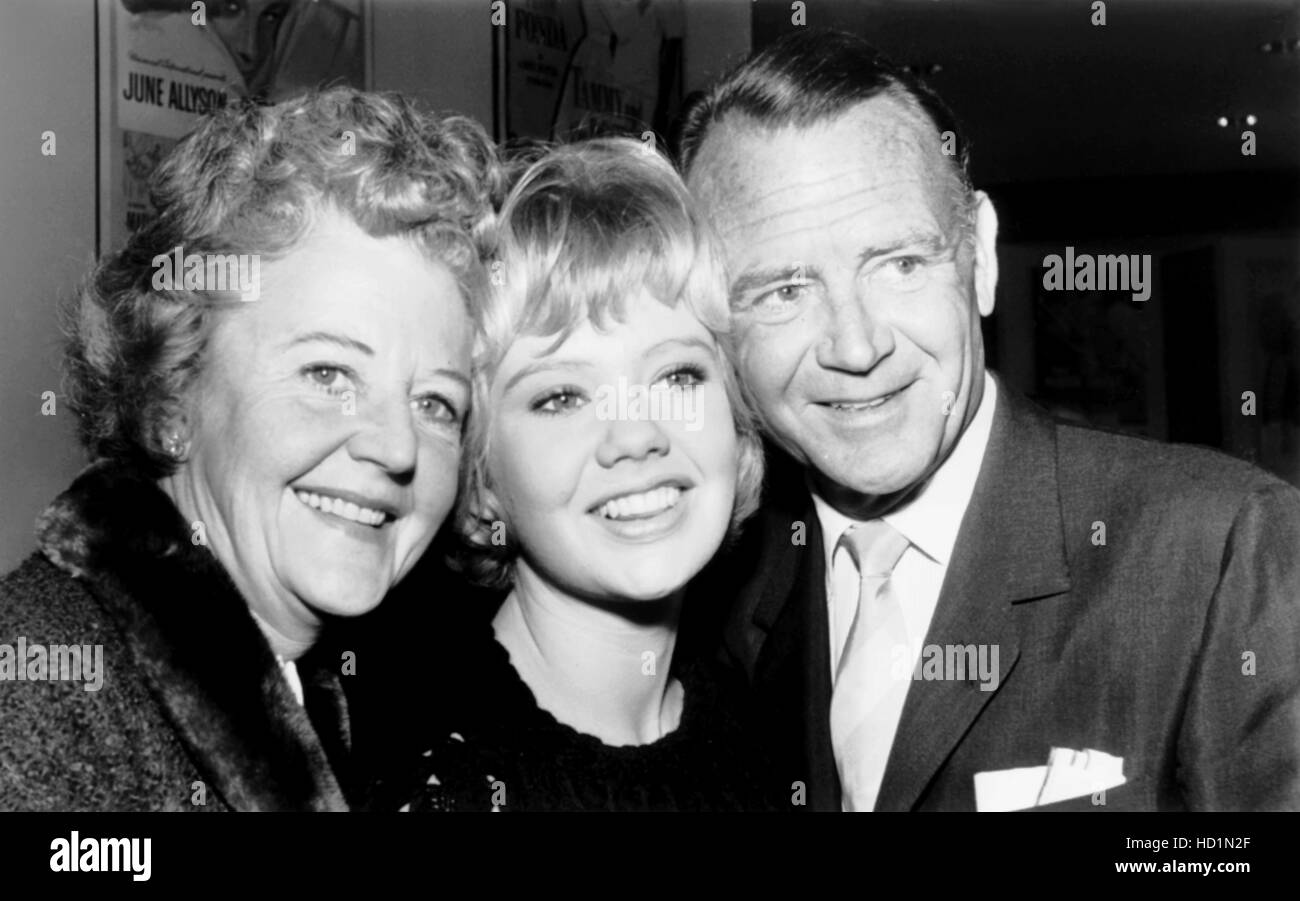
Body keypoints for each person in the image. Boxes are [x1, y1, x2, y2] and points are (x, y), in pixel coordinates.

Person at [676, 29, 1300, 811]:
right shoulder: (712, 594)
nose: (857, 345)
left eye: (900, 263)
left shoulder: (1220, 550)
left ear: (984, 256)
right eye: (782, 292)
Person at [0, 87, 498, 811]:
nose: (397, 447)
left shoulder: (312, 695)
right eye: (329, 374)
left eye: (435, 404)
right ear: (173, 391)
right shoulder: (39, 702)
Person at [389, 138, 772, 812]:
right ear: (480, 481)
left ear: (737, 421)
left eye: (677, 375)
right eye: (562, 396)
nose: (635, 433)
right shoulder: (443, 786)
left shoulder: (757, 729)